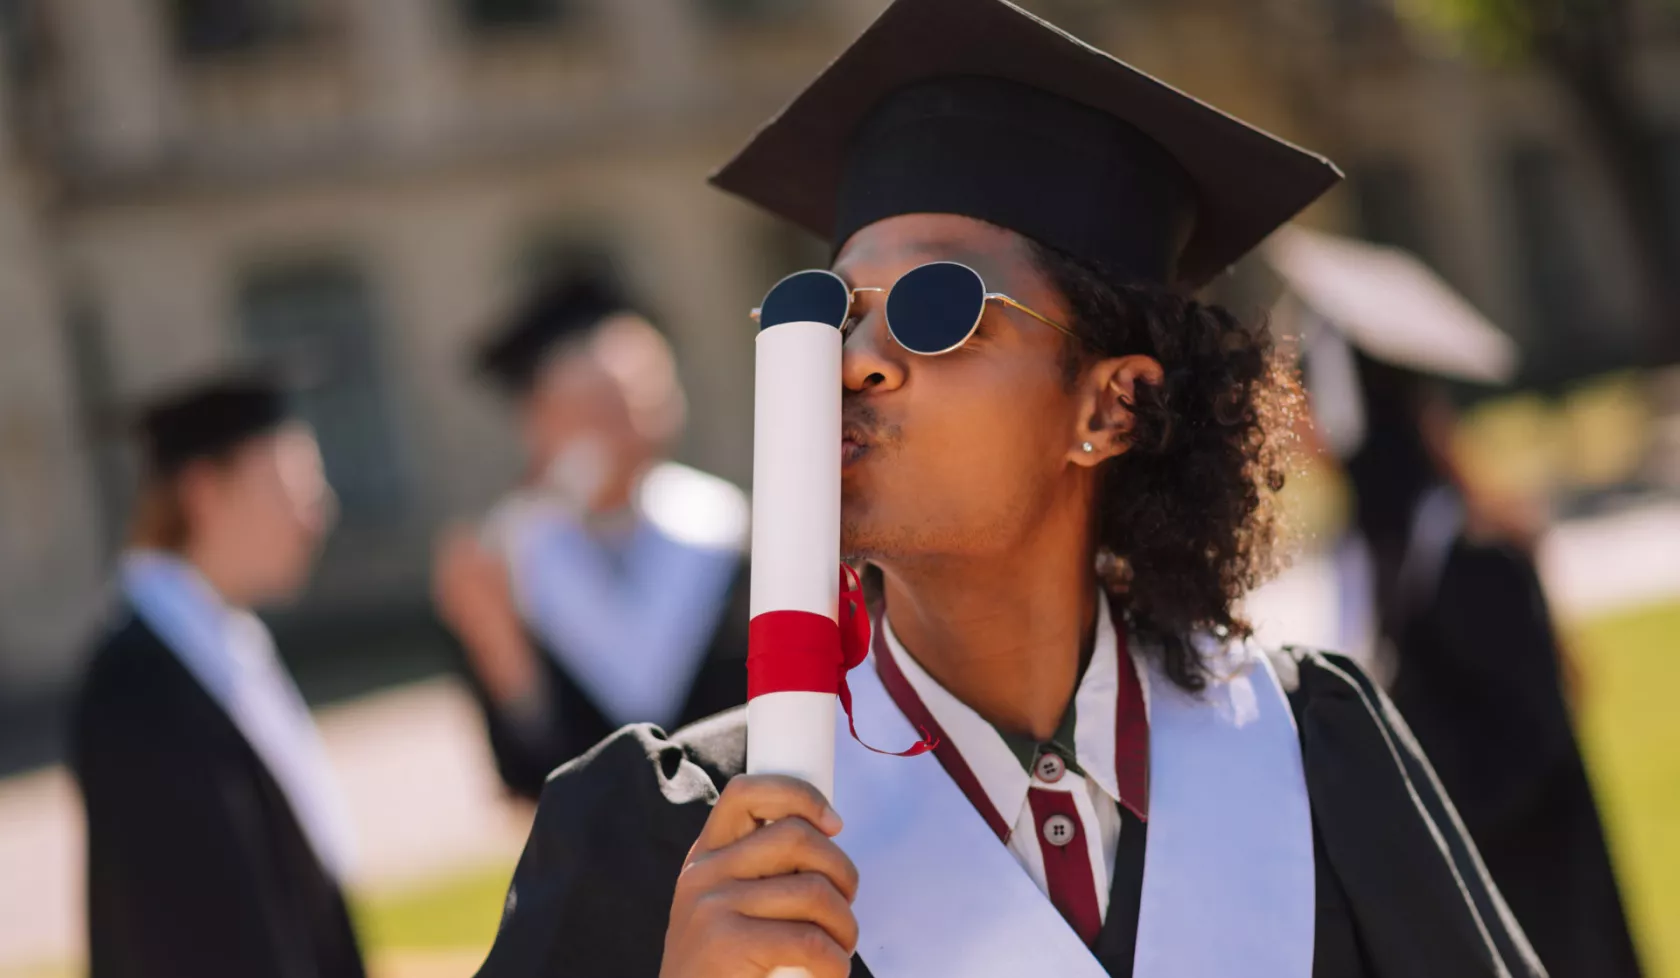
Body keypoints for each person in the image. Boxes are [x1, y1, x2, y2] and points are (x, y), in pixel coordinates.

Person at [473, 1, 1544, 976]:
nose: (856, 358)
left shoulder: (1309, 758)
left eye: (937, 306)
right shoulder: (679, 841)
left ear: (1110, 408)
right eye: (830, 312)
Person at [1270, 227, 1644, 978]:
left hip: (1536, 909)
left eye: (1300, 387)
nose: (1291, 416)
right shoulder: (1374, 547)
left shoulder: (1468, 554)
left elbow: (1525, 753)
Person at [70, 370, 363, 978]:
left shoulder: (224, 642)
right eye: (292, 491)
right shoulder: (137, 686)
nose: (319, 514)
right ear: (205, 494)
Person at [434, 270, 751, 800]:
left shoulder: (728, 530)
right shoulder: (500, 564)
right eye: (593, 407)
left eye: (640, 398)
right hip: (604, 863)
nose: (624, 426)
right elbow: (525, 772)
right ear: (535, 422)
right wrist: (500, 646)